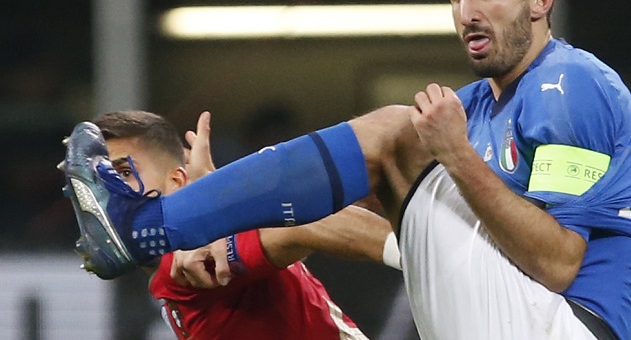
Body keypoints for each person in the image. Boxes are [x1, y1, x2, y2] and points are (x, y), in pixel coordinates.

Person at [61, 0, 631, 340]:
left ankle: (143, 228)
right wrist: (226, 211)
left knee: (396, 131)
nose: (466, 10)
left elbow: (555, 262)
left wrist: (456, 156)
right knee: (371, 162)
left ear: (540, 1)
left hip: (564, 323)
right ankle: (178, 222)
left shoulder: (571, 84)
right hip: (502, 315)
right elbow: (341, 214)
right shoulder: (473, 106)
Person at [73, 109, 400, 340]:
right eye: (100, 184)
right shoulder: (187, 267)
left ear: (177, 181)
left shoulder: (192, 259)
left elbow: (302, 226)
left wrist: (417, 253)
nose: (109, 196)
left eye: (125, 173)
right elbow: (299, 229)